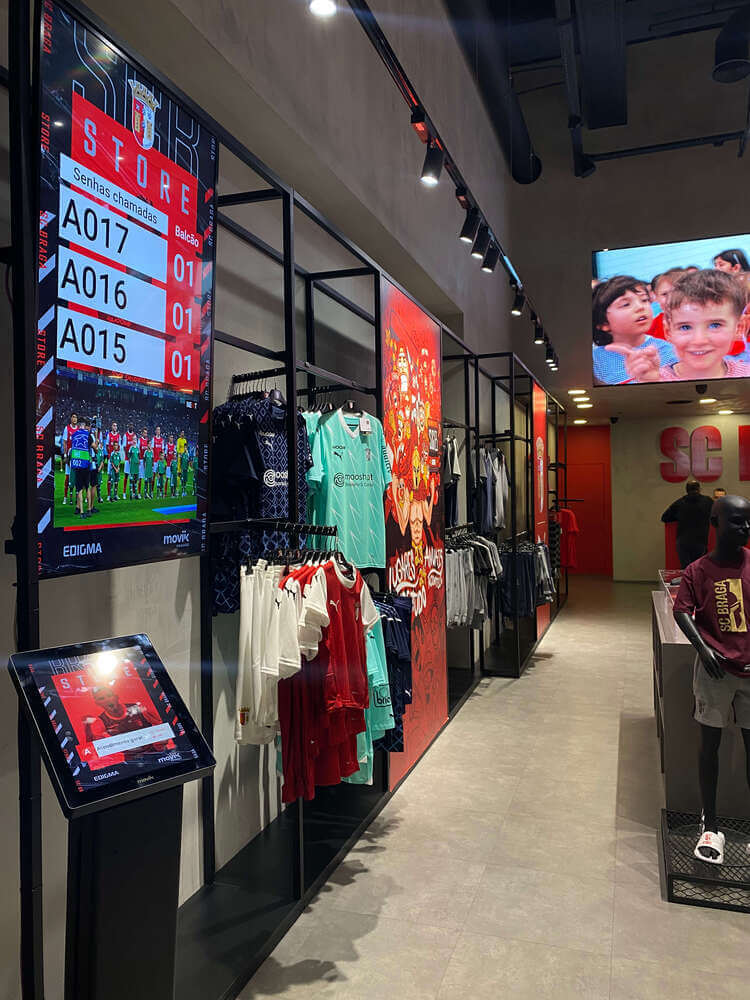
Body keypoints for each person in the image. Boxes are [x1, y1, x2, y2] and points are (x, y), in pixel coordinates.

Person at [672, 494, 750, 864]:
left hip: (749, 672)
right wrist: (704, 649)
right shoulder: (698, 571)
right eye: (737, 522)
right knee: (709, 749)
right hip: (714, 674)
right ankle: (711, 825)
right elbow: (682, 611)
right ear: (716, 524)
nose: (745, 529)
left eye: (748, 522)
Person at [611, 270, 750, 382]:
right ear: (668, 331)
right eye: (685, 327)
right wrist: (650, 385)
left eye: (715, 325)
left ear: (739, 328)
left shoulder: (746, 374)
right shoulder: (652, 379)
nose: (699, 340)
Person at [592, 275, 678, 385]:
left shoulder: (667, 350)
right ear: (603, 323)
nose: (640, 307)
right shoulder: (595, 361)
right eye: (626, 304)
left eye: (644, 300)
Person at [661, 480, 713, 568]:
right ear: (699, 489)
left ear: (686, 490)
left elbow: (665, 518)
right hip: (700, 541)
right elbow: (717, 514)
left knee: (686, 569)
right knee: (698, 568)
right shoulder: (708, 501)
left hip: (683, 541)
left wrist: (679, 517)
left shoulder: (679, 503)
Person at [70, 416, 93, 519]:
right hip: (86, 465)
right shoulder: (88, 435)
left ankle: (82, 512)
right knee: (87, 487)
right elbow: (95, 447)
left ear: (78, 425)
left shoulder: (74, 435)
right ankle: (88, 510)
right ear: (85, 425)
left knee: (79, 489)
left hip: (77, 465)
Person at [61, 412, 78, 505]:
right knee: (67, 477)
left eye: (76, 417)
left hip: (77, 457)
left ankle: (75, 497)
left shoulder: (79, 429)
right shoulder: (67, 428)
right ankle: (65, 497)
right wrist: (65, 455)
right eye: (73, 417)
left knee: (76, 477)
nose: (75, 419)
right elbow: (64, 442)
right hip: (69, 456)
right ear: (71, 418)